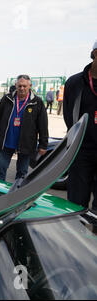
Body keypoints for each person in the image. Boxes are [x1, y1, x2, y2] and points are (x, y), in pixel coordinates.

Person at [0, 74, 48, 182]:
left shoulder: (37, 102)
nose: (22, 88)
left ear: (30, 86)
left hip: (26, 143)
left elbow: (43, 125)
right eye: (19, 86)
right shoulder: (7, 99)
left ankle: (17, 194)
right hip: (6, 141)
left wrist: (43, 144)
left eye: (24, 86)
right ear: (16, 85)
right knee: (0, 169)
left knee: (22, 172)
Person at [63, 39, 97, 211]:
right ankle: (76, 236)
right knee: (76, 204)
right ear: (95, 54)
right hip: (81, 151)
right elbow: (69, 116)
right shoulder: (75, 83)